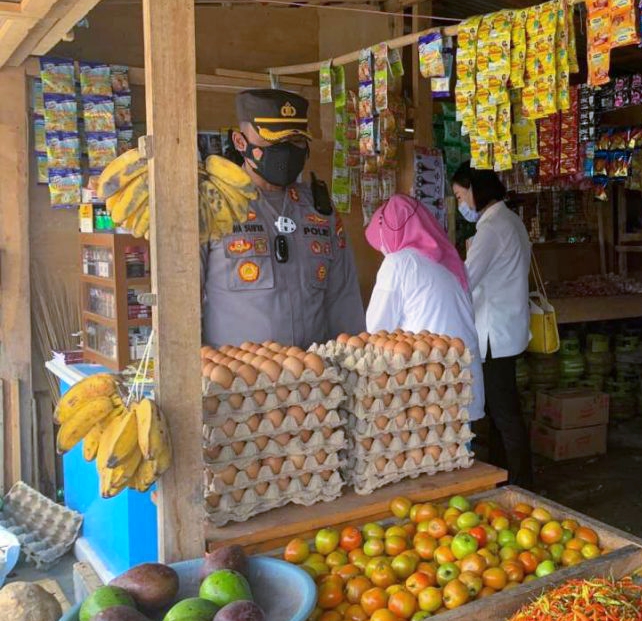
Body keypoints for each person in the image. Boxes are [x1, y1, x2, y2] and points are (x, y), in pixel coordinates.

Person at [201, 89, 365, 348]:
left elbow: (343, 300)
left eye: (296, 141)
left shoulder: (319, 209)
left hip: (314, 370)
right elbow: (182, 301)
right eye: (274, 141)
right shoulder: (213, 204)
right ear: (240, 141)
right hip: (237, 371)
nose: (286, 151)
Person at [365, 194, 484, 422]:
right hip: (462, 380)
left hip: (430, 389)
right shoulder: (451, 262)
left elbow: (376, 332)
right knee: (461, 441)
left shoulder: (398, 262)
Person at [451, 163, 533, 487]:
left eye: (461, 196)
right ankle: (506, 478)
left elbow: (466, 280)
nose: (460, 204)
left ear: (476, 189)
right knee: (502, 413)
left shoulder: (491, 228)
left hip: (495, 334)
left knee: (504, 414)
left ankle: (521, 483)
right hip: (507, 329)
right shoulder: (510, 220)